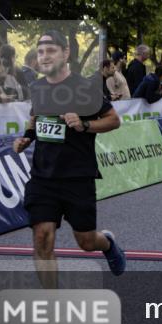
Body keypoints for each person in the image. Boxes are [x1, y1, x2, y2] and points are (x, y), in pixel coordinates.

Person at [12, 30, 125, 287]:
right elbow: (36, 117)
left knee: (86, 242)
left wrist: (84, 124)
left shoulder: (84, 87)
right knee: (42, 237)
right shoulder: (38, 87)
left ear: (66, 54)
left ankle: (107, 242)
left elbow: (113, 120)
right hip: (43, 176)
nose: (44, 56)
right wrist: (27, 137)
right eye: (40, 51)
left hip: (77, 176)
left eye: (51, 50)